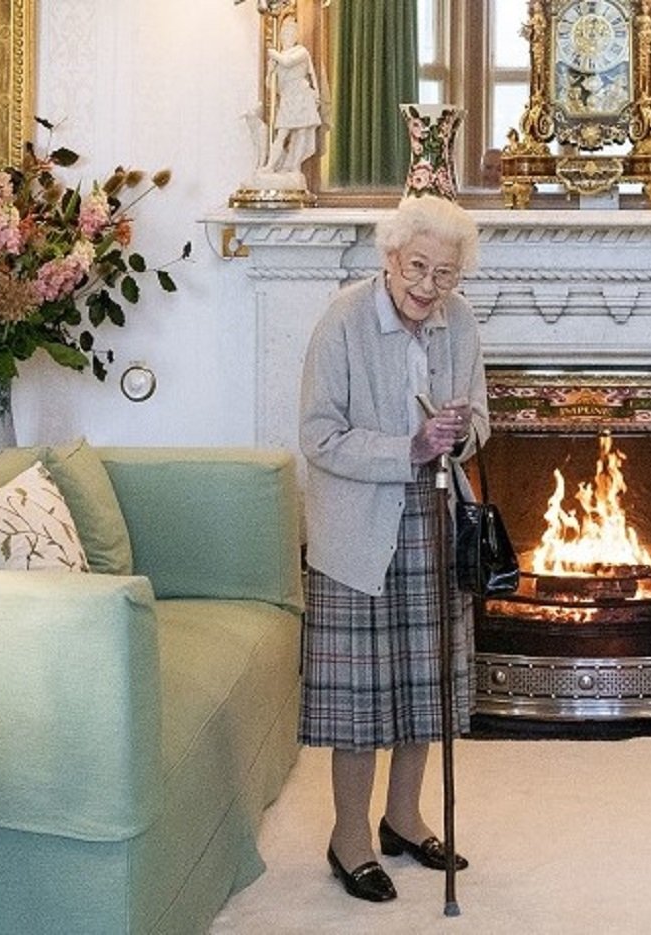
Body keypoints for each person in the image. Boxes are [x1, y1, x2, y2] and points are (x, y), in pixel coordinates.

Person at [298, 194, 488, 903]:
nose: (428, 286)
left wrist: (459, 432)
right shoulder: (344, 319)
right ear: (389, 257)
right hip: (357, 526)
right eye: (418, 267)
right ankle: (349, 836)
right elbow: (317, 435)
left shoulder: (459, 321)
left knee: (422, 683)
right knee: (361, 697)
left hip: (434, 516)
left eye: (444, 273)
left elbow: (481, 418)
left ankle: (403, 817)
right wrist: (407, 446)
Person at [259, 17, 324, 176]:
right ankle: (270, 166)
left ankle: (295, 166)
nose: (287, 36)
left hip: (301, 95)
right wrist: (270, 70)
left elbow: (287, 62)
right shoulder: (279, 57)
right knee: (281, 133)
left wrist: (274, 54)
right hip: (288, 97)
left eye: (290, 33)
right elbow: (270, 85)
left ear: (295, 37)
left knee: (302, 131)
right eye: (284, 33)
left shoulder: (300, 52)